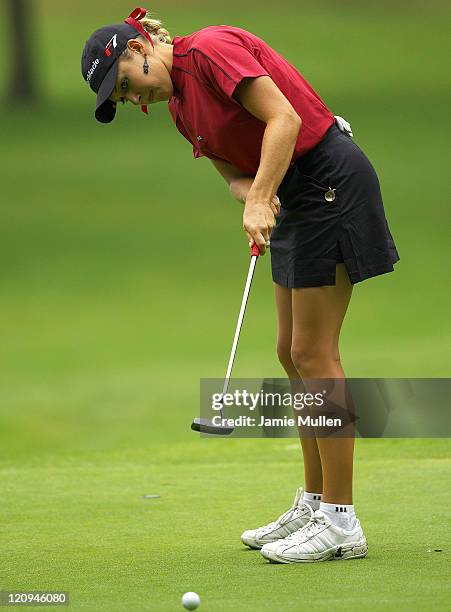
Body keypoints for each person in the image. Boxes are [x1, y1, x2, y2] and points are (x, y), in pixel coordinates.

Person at [81, 7, 399, 563]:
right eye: (123, 99)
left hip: (329, 183)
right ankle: (315, 501)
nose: (135, 101)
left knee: (313, 351)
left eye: (127, 86)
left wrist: (260, 196)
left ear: (137, 49)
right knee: (289, 352)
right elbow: (233, 176)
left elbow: (285, 121)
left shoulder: (209, 51)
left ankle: (342, 522)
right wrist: (255, 194)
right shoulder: (180, 107)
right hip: (294, 198)